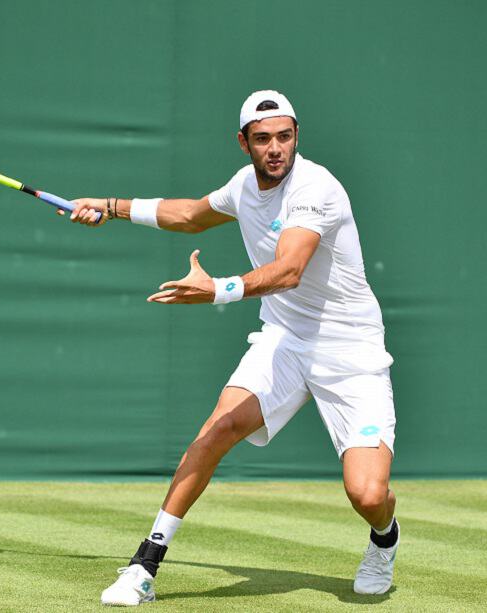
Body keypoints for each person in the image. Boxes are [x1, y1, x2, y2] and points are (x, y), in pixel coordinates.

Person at [65, 90, 399, 606]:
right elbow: (192, 215)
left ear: (295, 138)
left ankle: (384, 539)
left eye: (284, 137)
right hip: (285, 341)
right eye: (263, 139)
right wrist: (110, 207)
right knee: (218, 428)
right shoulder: (245, 185)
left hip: (350, 352)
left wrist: (218, 289)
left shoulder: (317, 188)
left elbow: (289, 270)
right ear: (243, 143)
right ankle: (144, 566)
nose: (275, 149)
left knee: (367, 494)